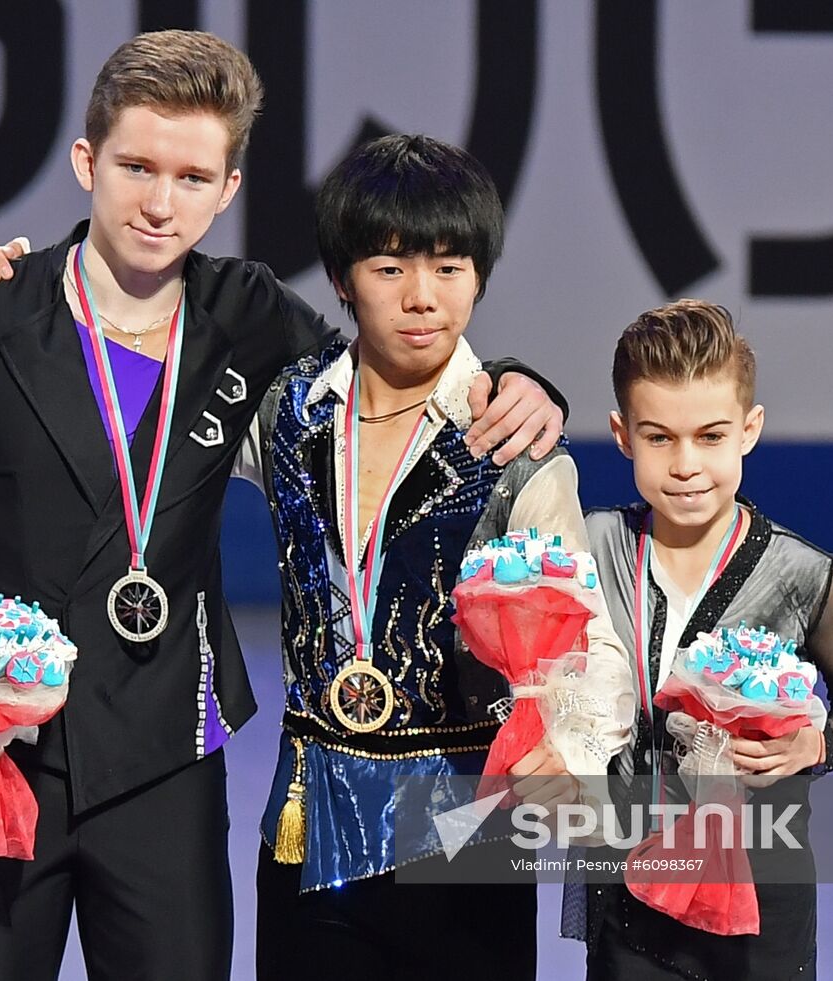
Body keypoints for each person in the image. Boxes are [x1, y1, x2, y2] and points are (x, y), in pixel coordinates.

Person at [0, 30, 564, 981]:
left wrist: (522, 382)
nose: (158, 201)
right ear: (86, 162)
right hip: (2, 753)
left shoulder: (252, 316)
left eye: (191, 176)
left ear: (227, 190)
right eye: (137, 166)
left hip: (167, 768)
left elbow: (392, 372)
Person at [226, 133, 632, 981]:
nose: (422, 298)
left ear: (479, 276)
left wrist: (577, 751)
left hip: (470, 838)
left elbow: (585, 636)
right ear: (341, 280)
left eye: (449, 268)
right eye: (388, 268)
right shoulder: (284, 415)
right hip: (312, 828)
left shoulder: (518, 445)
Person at [566, 299, 833, 979]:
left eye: (710, 436)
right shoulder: (590, 547)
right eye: (660, 438)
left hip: (759, 898)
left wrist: (817, 742)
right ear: (622, 434)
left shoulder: (805, 574)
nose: (686, 464)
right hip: (627, 890)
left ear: (750, 429)